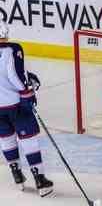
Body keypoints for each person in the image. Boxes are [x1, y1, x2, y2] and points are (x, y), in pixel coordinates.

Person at [0, 20, 53, 197]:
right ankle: (40, 180)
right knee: (28, 139)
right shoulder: (12, 49)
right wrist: (28, 89)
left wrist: (28, 77)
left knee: (6, 139)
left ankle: (17, 175)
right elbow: (14, 76)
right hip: (16, 105)